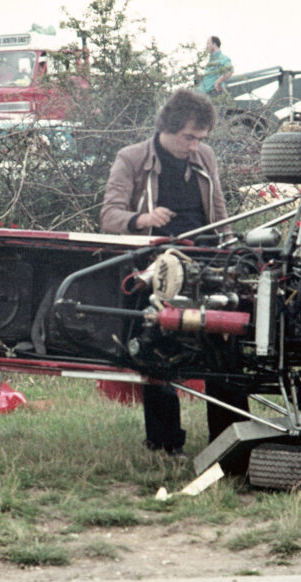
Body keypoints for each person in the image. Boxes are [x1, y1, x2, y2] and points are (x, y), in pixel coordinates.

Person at [101, 89, 247, 460]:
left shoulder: (205, 157)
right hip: (155, 265)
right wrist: (142, 220)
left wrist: (231, 251)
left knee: (224, 350)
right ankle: (165, 444)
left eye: (201, 138)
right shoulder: (131, 158)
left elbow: (219, 213)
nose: (195, 146)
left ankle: (230, 441)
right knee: (159, 353)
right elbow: (109, 217)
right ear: (167, 128)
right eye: (189, 137)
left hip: (206, 263)